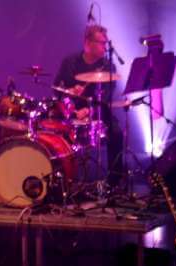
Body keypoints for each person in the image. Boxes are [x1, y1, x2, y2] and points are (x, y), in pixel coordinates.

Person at [54, 24, 125, 187]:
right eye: (101, 43)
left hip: (98, 110)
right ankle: (64, 179)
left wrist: (88, 111)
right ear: (87, 43)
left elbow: (106, 96)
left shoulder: (108, 66)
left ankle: (115, 182)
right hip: (71, 113)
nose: (104, 47)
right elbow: (57, 89)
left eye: (106, 43)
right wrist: (70, 93)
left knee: (117, 133)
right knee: (55, 130)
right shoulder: (70, 62)